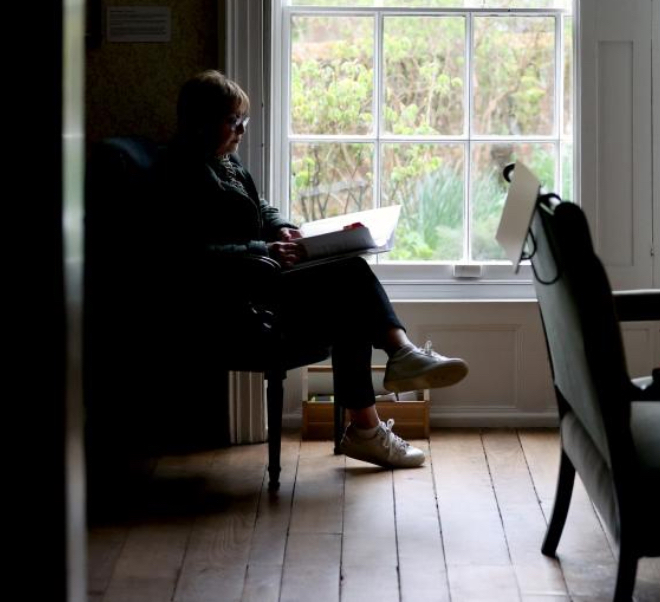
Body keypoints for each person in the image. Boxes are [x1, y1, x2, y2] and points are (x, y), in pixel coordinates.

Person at [157, 70, 469, 469]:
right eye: (232, 120)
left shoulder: (225, 161)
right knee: (351, 274)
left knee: (349, 302)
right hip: (235, 295)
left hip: (262, 279)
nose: (242, 130)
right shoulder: (180, 169)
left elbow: (260, 206)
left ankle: (371, 423)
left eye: (243, 120)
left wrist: (282, 228)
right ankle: (396, 368)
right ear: (201, 121)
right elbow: (183, 252)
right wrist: (263, 249)